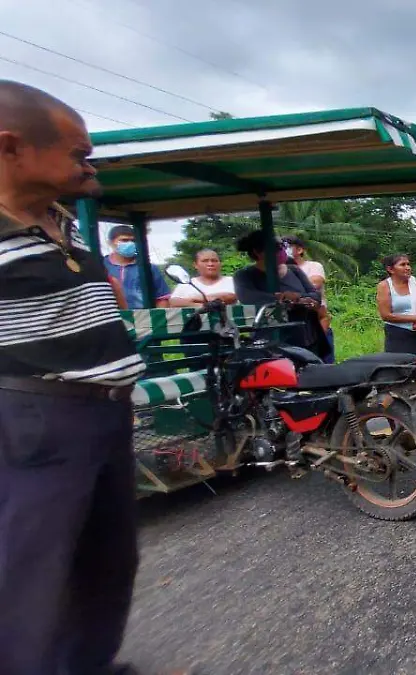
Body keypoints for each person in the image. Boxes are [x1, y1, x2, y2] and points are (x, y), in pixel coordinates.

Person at [0, 80, 147, 675]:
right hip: (38, 417)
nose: (89, 166)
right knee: (32, 574)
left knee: (109, 558)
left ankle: (89, 665)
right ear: (11, 148)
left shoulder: (62, 221)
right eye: (77, 154)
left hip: (104, 411)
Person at [233, 229, 331, 359]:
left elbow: (315, 295)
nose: (282, 251)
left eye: (282, 246)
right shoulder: (244, 276)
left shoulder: (294, 270)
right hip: (270, 341)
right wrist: (283, 298)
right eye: (277, 248)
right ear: (258, 252)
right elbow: (249, 298)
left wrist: (298, 299)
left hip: (306, 339)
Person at [282, 234, 334, 363]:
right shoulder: (278, 271)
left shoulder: (313, 266)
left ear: (299, 250)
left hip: (317, 320)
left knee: (323, 365)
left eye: (287, 246)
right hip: (291, 326)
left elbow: (316, 283)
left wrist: (289, 291)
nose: (283, 250)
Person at [376, 253, 416, 356]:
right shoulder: (384, 286)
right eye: (402, 265)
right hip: (397, 335)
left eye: (408, 264)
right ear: (390, 269)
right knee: (399, 367)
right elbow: (385, 315)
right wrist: (415, 319)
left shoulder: (414, 282)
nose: (408, 268)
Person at [103, 223, 170, 309]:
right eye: (124, 240)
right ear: (110, 242)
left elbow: (162, 299)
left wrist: (157, 320)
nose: (130, 244)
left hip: (142, 318)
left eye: (133, 241)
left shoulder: (148, 268)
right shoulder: (101, 266)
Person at [169, 248, 238, 307]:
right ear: (195, 265)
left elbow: (231, 297)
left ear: (220, 264)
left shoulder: (232, 281)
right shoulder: (187, 283)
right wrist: (202, 306)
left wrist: (195, 299)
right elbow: (174, 302)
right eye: (205, 261)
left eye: (214, 261)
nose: (210, 264)